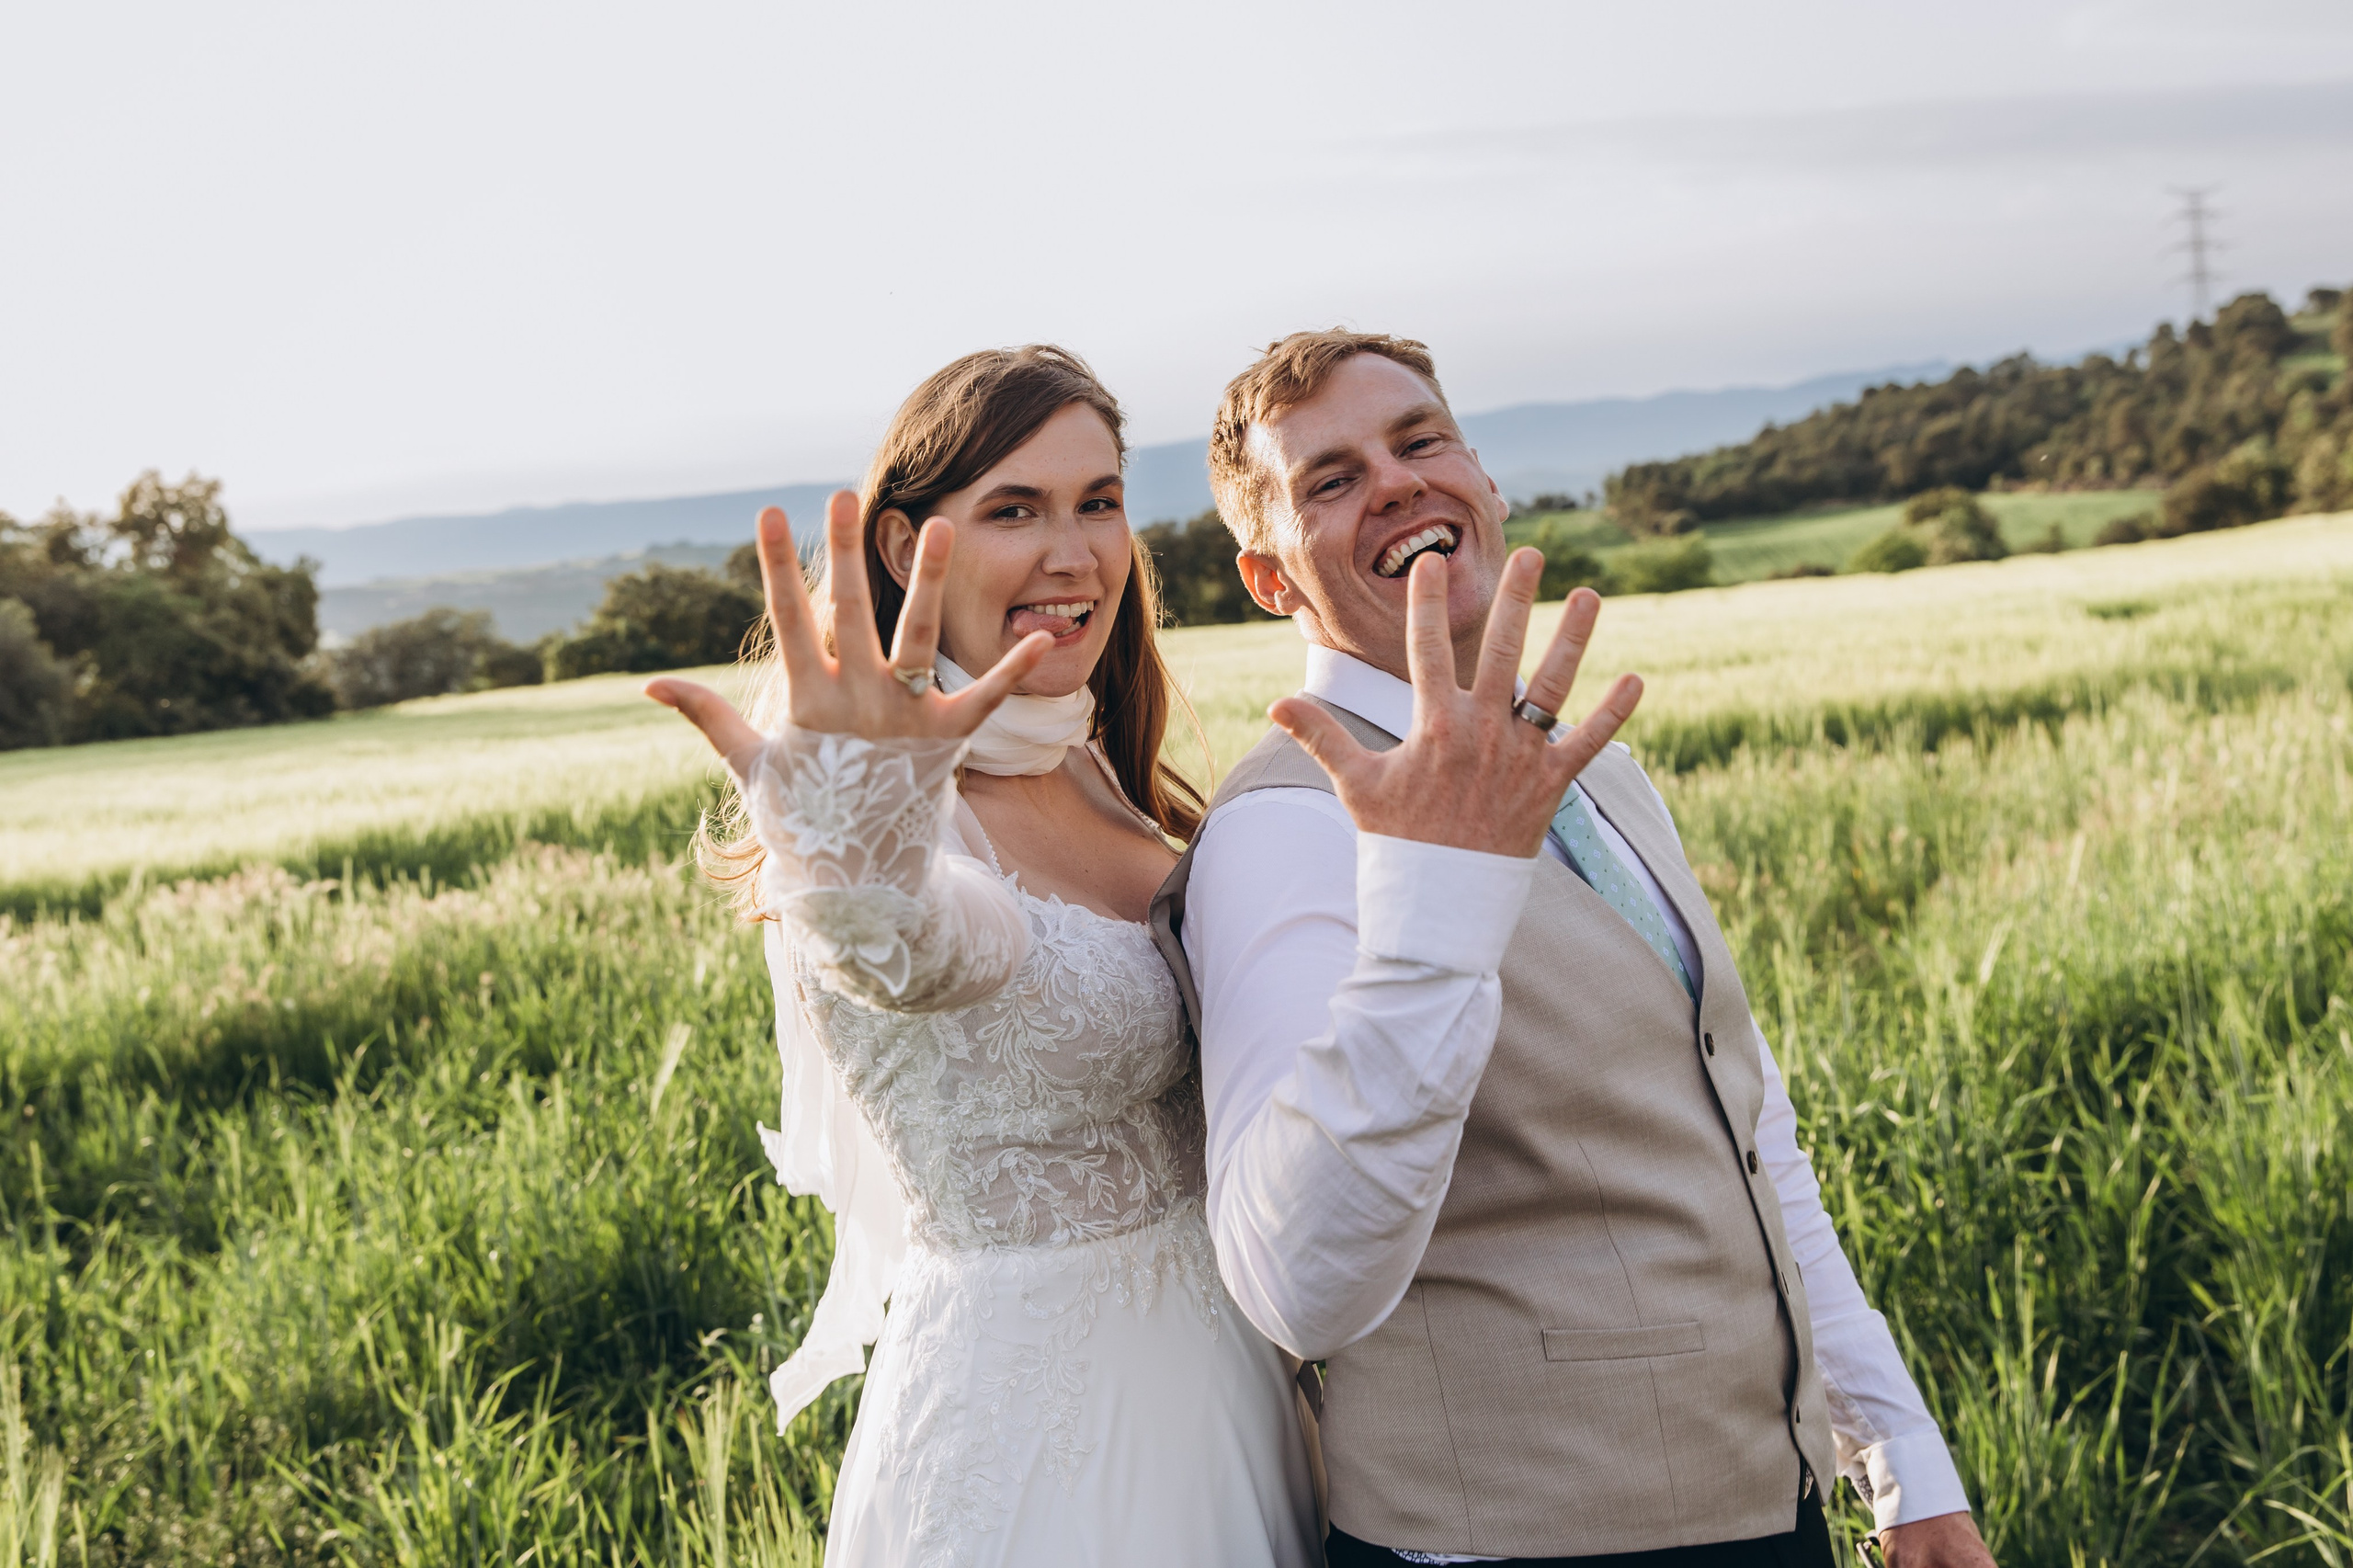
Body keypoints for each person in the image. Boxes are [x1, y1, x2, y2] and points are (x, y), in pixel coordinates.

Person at [1151, 330, 2000, 1568]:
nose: (1396, 481)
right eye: (1330, 479)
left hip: (1764, 1509)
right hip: (1509, 1537)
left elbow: (1751, 1134)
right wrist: (1438, 900)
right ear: (1270, 579)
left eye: (1421, 440)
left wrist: (1902, 1459)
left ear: (1486, 482)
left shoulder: (1601, 771)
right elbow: (1297, 1285)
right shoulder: (1285, 826)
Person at [645, 347, 1320, 1567]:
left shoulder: (1095, 762)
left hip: (1238, 1388)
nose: (1075, 553)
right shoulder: (900, 821)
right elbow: (923, 947)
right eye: (1015, 509)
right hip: (1049, 1449)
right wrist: (859, 869)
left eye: (1098, 502)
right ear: (908, 547)